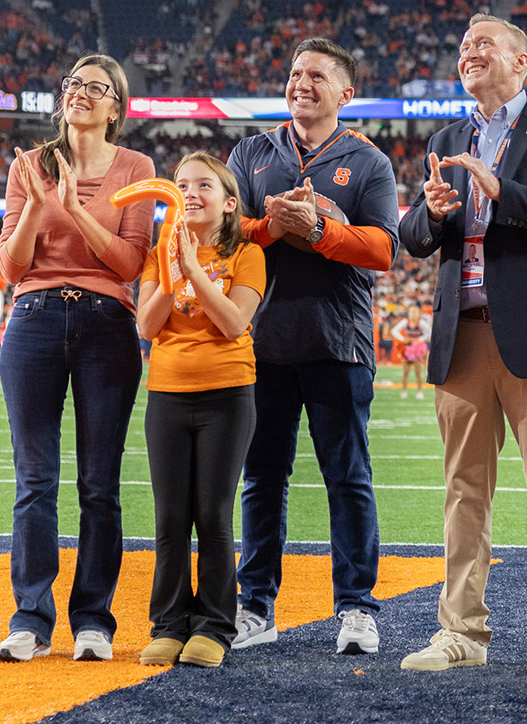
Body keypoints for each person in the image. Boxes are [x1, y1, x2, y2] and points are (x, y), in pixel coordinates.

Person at [395, 14, 527, 680]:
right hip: (464, 332)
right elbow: (413, 237)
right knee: (463, 491)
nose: (469, 53)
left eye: (484, 44)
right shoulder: (448, 137)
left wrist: (503, 192)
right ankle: (462, 630)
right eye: (462, 46)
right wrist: (429, 212)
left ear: (523, 62)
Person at [225, 37, 399, 655]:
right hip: (261, 342)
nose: (302, 82)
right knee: (261, 479)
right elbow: (226, 235)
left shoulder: (368, 162)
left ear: (345, 93)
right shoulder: (249, 152)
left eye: (317, 75)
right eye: (296, 73)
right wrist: (273, 226)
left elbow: (383, 249)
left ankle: (356, 608)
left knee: (348, 477)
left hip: (337, 341)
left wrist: (322, 229)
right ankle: (255, 606)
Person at [0, 55, 157, 662]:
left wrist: (77, 208)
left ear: (117, 107)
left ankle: (93, 620)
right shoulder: (27, 164)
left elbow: (130, 264)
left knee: (99, 485)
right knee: (34, 481)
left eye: (97, 87)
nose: (80, 94)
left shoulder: (137, 167)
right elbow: (11, 268)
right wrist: (38, 205)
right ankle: (30, 619)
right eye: (73, 84)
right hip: (32, 320)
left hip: (106, 323)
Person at [134, 153, 267, 669]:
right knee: (170, 517)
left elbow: (235, 322)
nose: (189, 193)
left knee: (212, 514)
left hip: (227, 394)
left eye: (203, 185)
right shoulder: (155, 255)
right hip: (166, 394)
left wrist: (193, 267)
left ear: (229, 203)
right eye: (181, 185)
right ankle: (168, 624)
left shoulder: (248, 254)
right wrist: (172, 271)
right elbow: (147, 326)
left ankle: (213, 625)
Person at [393, 305, 430, 399]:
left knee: (418, 372)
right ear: (408, 313)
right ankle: (404, 391)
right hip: (407, 349)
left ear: (419, 314)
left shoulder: (421, 323)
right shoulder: (405, 322)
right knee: (406, 372)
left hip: (417, 350)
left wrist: (420, 339)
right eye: (411, 312)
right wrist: (403, 339)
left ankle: (420, 391)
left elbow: (429, 332)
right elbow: (394, 331)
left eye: (415, 312)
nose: (413, 314)